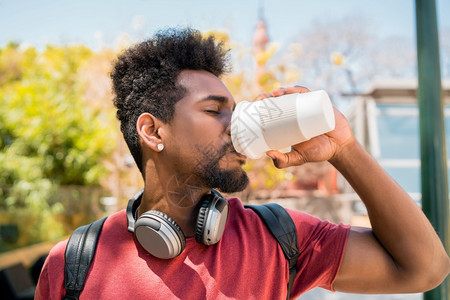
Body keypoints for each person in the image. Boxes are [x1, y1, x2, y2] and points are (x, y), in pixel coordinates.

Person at [35, 27, 449, 299]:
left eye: (236, 110)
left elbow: (424, 269)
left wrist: (344, 149)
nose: (235, 126)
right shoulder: (74, 262)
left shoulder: (279, 236)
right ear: (153, 132)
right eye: (215, 110)